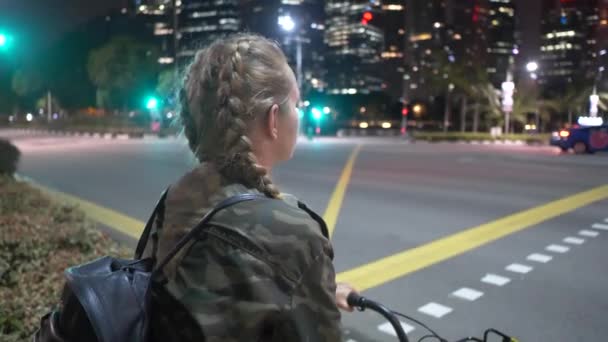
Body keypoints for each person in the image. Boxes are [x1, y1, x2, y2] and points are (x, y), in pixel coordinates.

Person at [143, 33, 357, 341]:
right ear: (273, 119)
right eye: (296, 104)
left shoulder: (174, 197)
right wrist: (308, 286)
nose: (299, 115)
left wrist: (315, 289)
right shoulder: (294, 234)